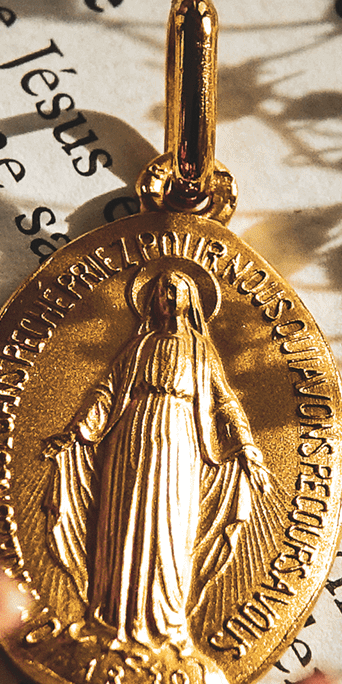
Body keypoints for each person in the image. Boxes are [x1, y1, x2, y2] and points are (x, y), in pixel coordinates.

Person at [44, 260, 266, 659]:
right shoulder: (138, 346)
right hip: (130, 437)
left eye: (174, 291)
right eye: (161, 291)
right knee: (124, 520)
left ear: (190, 300)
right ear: (150, 300)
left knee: (170, 523)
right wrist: (77, 430)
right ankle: (112, 618)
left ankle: (169, 623)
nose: (167, 297)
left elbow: (224, 402)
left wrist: (246, 445)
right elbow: (106, 393)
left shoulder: (201, 350)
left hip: (180, 440)